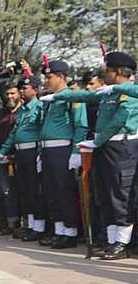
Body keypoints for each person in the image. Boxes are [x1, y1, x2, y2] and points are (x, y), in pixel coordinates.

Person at [45, 51, 138, 259]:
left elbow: (119, 121)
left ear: (119, 72)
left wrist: (96, 141)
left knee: (120, 195)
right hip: (106, 148)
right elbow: (84, 96)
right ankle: (112, 241)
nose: (105, 73)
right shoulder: (109, 92)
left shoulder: (129, 94)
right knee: (105, 195)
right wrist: (58, 96)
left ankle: (123, 243)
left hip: (121, 147)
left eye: (108, 70)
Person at [35, 58, 87, 248]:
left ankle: (70, 232)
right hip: (48, 150)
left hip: (62, 149)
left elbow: (81, 125)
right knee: (51, 192)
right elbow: (43, 127)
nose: (46, 81)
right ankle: (59, 231)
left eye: (49, 77)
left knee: (64, 191)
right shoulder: (50, 99)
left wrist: (76, 151)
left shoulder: (71, 96)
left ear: (61, 77)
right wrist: (40, 153)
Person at [0, 75, 45, 241]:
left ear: (35, 90)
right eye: (21, 88)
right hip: (20, 154)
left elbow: (42, 131)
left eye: (25, 88)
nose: (22, 91)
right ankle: (29, 226)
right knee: (24, 191)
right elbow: (14, 133)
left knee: (35, 191)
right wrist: (2, 151)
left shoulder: (40, 107)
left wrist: (40, 153)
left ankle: (39, 227)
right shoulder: (23, 110)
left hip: (33, 152)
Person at [0, 80, 21, 236]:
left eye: (13, 93)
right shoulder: (1, 113)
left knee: (18, 192)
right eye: (7, 93)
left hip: (19, 158)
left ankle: (19, 224)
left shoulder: (23, 112)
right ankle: (1, 224)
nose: (9, 96)